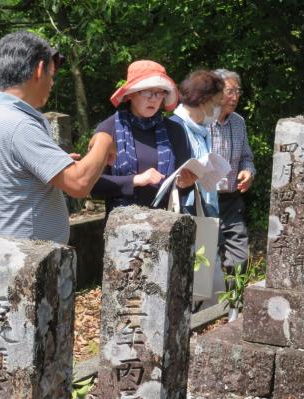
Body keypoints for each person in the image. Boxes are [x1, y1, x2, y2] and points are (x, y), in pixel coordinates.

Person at [0, 31, 115, 245]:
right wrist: (104, 139)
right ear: (40, 69)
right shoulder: (19, 124)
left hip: (6, 248)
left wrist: (58, 165)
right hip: (27, 259)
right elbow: (79, 183)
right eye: (52, 73)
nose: (52, 83)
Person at [90, 60, 195, 212]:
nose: (154, 98)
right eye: (147, 92)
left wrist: (187, 184)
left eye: (159, 93)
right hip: (122, 227)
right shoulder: (108, 129)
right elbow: (93, 185)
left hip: (166, 224)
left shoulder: (175, 130)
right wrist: (135, 180)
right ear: (130, 94)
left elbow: (184, 188)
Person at [209, 69, 256, 294]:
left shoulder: (238, 123)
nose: (234, 97)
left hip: (231, 200)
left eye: (238, 91)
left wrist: (248, 172)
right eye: (229, 91)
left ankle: (234, 304)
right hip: (205, 199)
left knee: (239, 257)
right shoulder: (201, 122)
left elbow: (247, 156)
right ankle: (204, 311)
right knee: (205, 257)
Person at [171, 70, 224, 216]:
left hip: (205, 207)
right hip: (185, 209)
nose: (219, 108)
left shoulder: (201, 129)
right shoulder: (174, 128)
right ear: (203, 101)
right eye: (216, 103)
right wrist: (181, 182)